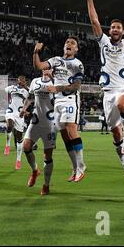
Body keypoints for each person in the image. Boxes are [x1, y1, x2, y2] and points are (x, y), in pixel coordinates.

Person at [84, 0, 124, 186]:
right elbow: (94, 21)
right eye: (113, 27)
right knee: (114, 135)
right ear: (110, 31)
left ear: (123, 32)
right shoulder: (104, 42)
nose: (115, 29)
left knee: (123, 104)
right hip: (107, 94)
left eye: (118, 27)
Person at [33, 38, 87, 182]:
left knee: (71, 129)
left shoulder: (78, 64)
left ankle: (81, 167)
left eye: (73, 43)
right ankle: (75, 169)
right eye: (67, 42)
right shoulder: (56, 60)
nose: (69, 44)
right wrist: (36, 52)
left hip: (70, 99)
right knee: (64, 135)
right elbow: (39, 65)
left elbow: (76, 86)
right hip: (57, 102)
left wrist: (57, 88)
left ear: (76, 49)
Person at [20, 69, 56, 195]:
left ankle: (46, 185)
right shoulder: (35, 81)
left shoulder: (56, 82)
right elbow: (30, 97)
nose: (47, 69)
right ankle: (35, 170)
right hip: (35, 122)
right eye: (45, 66)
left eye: (49, 67)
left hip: (50, 124)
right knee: (26, 146)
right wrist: (24, 109)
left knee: (47, 156)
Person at [4, 76, 29, 170]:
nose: (21, 81)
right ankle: (7, 144)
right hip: (10, 111)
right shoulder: (12, 87)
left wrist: (26, 87)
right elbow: (4, 90)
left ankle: (18, 160)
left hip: (19, 115)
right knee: (9, 126)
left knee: (19, 138)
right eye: (20, 79)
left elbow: (32, 97)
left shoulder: (27, 91)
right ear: (17, 80)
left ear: (25, 81)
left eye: (23, 80)